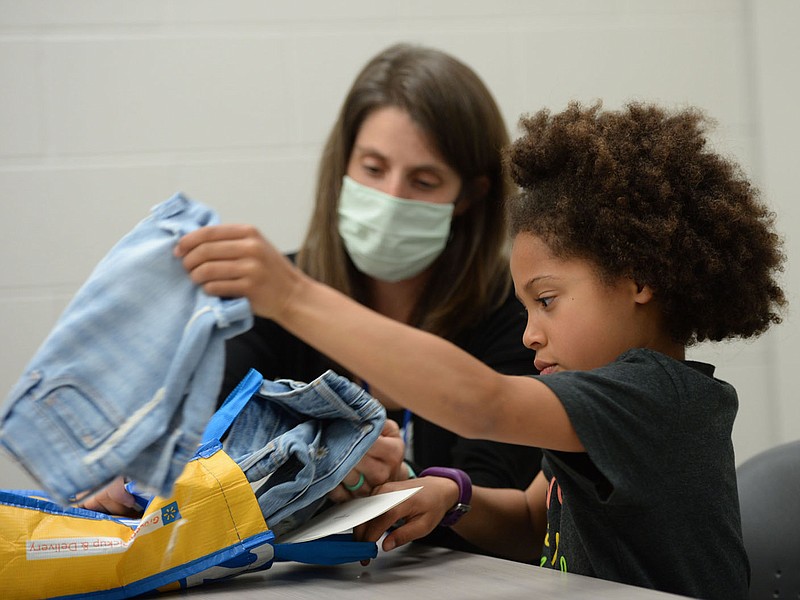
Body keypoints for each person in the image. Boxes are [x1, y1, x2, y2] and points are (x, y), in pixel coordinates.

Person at [174, 101, 786, 599]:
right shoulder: (602, 402)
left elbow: (482, 401)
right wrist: (450, 496)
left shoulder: (656, 398)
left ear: (638, 279)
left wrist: (293, 296)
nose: (529, 334)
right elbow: (531, 520)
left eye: (546, 300)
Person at [81, 43, 542, 555]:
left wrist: (405, 480)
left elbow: (499, 501)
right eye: (372, 168)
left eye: (424, 180)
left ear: (471, 196)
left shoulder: (517, 315)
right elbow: (206, 440)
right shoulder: (275, 294)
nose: (390, 198)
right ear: (342, 165)